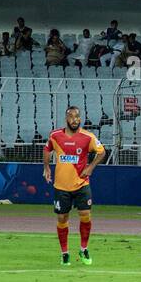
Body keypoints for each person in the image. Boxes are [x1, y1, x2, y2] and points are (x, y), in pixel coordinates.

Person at [42, 106, 105, 267]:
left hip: (81, 184)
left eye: (77, 116)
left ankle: (84, 249)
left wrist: (90, 167)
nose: (75, 119)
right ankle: (64, 253)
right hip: (61, 186)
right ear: (66, 119)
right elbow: (47, 149)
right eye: (72, 116)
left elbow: (102, 152)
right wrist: (47, 167)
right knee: (62, 218)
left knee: (86, 215)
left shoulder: (87, 137)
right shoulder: (55, 135)